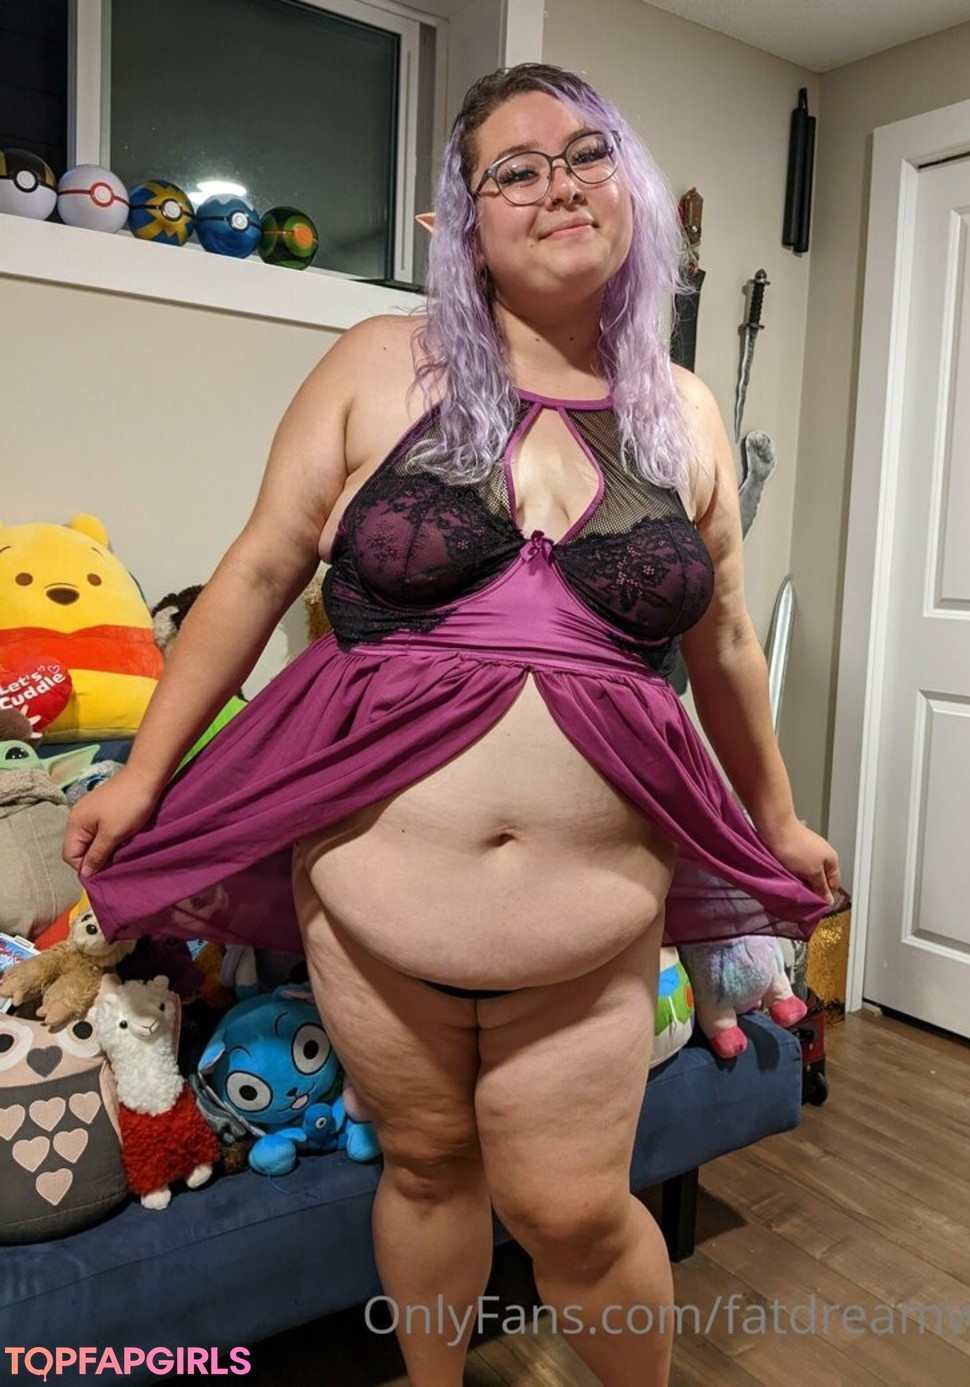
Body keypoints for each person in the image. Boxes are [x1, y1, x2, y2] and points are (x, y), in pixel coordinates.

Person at [65, 63, 841, 1387]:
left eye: (586, 156)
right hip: (375, 918)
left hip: (589, 933)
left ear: (632, 189)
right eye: (514, 171)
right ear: (462, 223)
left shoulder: (686, 408)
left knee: (574, 1210)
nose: (559, 187)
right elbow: (259, 570)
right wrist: (145, 774)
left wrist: (776, 814)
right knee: (424, 1170)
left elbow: (724, 642)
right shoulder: (381, 363)